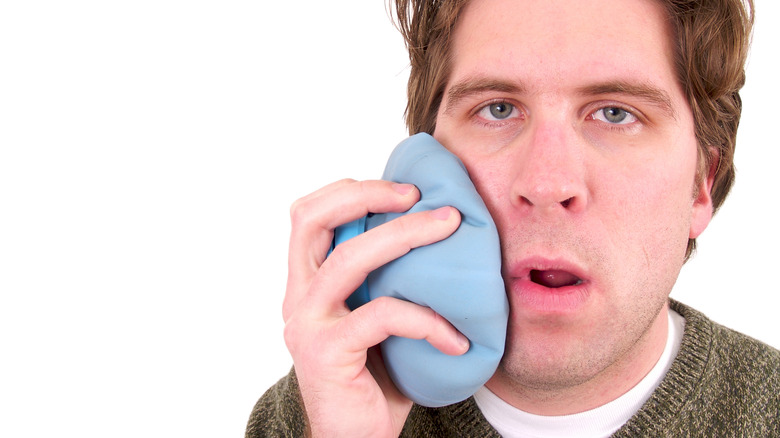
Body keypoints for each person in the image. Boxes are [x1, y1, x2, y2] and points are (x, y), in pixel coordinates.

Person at [247, 0, 779, 436]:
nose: (547, 185)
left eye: (616, 113)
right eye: (497, 109)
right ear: (426, 165)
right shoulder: (312, 414)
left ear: (700, 186)